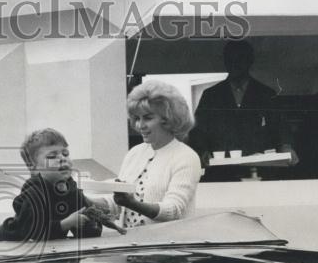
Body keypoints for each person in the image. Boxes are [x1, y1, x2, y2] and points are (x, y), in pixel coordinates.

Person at [94, 80, 202, 227]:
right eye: (137, 118)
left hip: (169, 245)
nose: (140, 125)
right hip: (130, 244)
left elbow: (174, 211)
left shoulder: (186, 157)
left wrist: (132, 204)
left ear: (168, 119)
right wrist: (81, 197)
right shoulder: (135, 153)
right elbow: (118, 204)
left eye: (148, 118)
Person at [190, 40, 297, 181]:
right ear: (225, 61)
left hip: (262, 173)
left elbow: (282, 128)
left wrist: (286, 147)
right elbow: (198, 132)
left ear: (249, 61)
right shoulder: (211, 95)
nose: (234, 63)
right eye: (230, 59)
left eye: (240, 58)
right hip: (222, 175)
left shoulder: (267, 94)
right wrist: (202, 151)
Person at [0, 129, 103, 242]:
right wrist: (66, 223)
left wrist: (90, 222)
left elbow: (87, 232)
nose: (62, 158)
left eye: (65, 154)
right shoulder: (34, 192)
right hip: (9, 238)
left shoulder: (71, 189)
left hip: (49, 244)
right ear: (33, 167)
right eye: (52, 156)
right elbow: (33, 231)